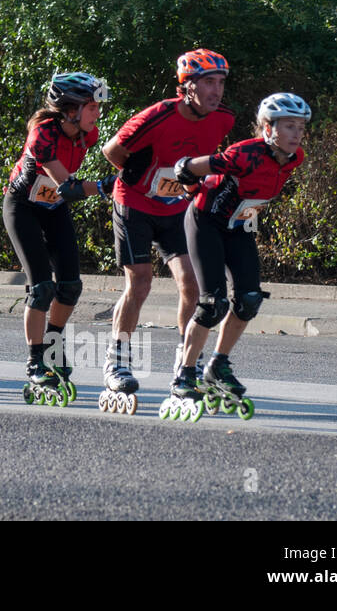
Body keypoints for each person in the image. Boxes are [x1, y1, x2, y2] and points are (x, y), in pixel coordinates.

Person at [99, 49, 235, 402]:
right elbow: (112, 150)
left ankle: (186, 364)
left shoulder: (223, 119)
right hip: (134, 203)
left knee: (192, 282)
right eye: (208, 83)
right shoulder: (158, 115)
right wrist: (137, 169)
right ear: (187, 87)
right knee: (140, 282)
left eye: (220, 83)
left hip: (175, 206)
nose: (216, 91)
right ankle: (117, 361)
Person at [163, 93, 310, 419]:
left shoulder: (294, 157)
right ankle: (184, 374)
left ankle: (218, 365)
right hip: (207, 222)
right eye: (289, 126)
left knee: (249, 299)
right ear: (268, 127)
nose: (297, 134)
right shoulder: (244, 153)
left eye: (300, 127)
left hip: (239, 226)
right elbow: (186, 167)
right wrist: (187, 179)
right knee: (213, 304)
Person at [2, 72, 115, 405]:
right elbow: (69, 186)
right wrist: (108, 186)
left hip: (52, 207)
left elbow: (62, 193)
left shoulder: (87, 135)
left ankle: (52, 346)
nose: (97, 112)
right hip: (23, 207)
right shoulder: (42, 134)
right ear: (68, 110)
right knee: (41, 288)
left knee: (70, 286)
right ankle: (35, 360)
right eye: (92, 106)